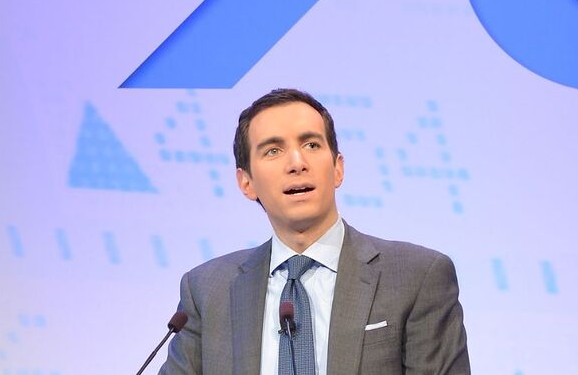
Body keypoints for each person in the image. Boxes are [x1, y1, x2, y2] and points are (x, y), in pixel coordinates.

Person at [159, 89, 470, 374]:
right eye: (273, 151)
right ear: (246, 182)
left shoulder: (416, 277)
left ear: (338, 168)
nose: (297, 163)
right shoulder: (206, 291)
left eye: (311, 145)